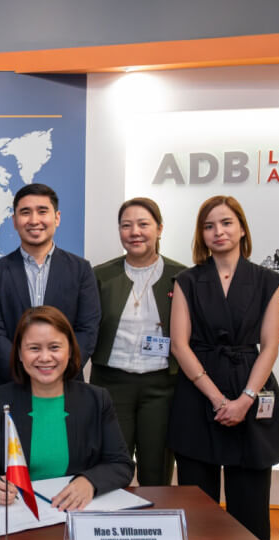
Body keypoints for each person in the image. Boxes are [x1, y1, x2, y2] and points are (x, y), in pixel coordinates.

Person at [168, 195, 279, 540]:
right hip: (198, 393)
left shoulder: (267, 281)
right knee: (195, 504)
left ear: (242, 228)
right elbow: (179, 345)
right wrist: (219, 399)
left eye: (226, 223)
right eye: (209, 226)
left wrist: (244, 400)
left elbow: (271, 346)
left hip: (251, 390)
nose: (218, 231)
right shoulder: (186, 280)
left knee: (250, 507)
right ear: (200, 235)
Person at [0, 306, 133, 511]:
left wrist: (89, 482)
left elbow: (121, 464)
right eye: (34, 348)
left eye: (54, 347)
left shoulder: (97, 399)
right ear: (20, 353)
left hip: (76, 512)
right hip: (18, 514)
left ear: (70, 350)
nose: (45, 358)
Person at [90, 198, 185, 486]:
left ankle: (156, 525)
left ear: (159, 229)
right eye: (126, 225)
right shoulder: (100, 275)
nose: (135, 232)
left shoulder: (180, 276)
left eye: (143, 224)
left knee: (156, 468)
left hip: (161, 386)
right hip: (111, 383)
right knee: (111, 463)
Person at [0, 183, 100, 387]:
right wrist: (21, 373)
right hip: (11, 385)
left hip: (65, 385)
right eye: (25, 212)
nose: (34, 220)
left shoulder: (81, 270)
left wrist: (59, 372)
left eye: (42, 211)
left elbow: (87, 329)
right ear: (15, 221)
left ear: (57, 218)